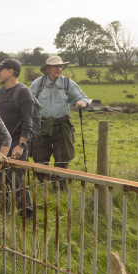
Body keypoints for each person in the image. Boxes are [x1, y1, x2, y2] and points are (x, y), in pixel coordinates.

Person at [29, 55, 88, 188]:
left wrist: (81, 103)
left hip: (62, 125)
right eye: (56, 66)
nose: (59, 69)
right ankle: (44, 183)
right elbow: (28, 101)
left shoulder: (68, 83)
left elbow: (82, 98)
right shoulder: (38, 83)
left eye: (60, 66)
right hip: (42, 125)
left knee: (63, 157)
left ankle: (59, 185)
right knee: (39, 157)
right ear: (48, 69)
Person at [0, 58, 34, 214]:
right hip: (0, 142)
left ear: (10, 72)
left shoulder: (24, 92)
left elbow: (28, 122)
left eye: (0, 71)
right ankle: (5, 208)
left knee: (16, 179)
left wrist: (21, 145)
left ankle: (26, 211)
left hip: (16, 142)